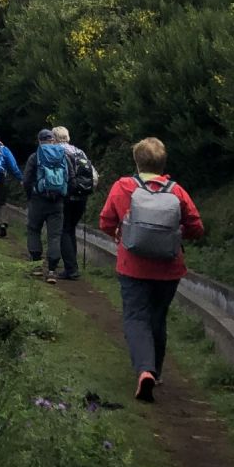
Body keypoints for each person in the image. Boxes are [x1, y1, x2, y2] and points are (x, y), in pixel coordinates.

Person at [98, 136, 205, 403]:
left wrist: (119, 235)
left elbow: (105, 221)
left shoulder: (123, 186)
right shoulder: (176, 191)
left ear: (137, 161)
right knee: (158, 316)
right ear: (162, 162)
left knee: (136, 317)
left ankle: (144, 370)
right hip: (168, 268)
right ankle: (155, 371)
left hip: (132, 265)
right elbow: (196, 228)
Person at [21, 129, 70, 284]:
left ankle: (36, 266)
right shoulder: (63, 155)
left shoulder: (35, 157)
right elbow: (70, 177)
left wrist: (29, 196)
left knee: (34, 230)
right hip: (57, 203)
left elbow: (27, 180)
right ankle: (52, 271)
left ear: (39, 140)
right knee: (54, 236)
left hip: (37, 200)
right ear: (53, 140)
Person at [51, 125, 97, 280]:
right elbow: (94, 175)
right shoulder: (79, 152)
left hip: (66, 196)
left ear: (54, 138)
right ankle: (73, 266)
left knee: (64, 229)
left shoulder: (57, 152)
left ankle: (71, 269)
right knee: (71, 229)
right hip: (82, 197)